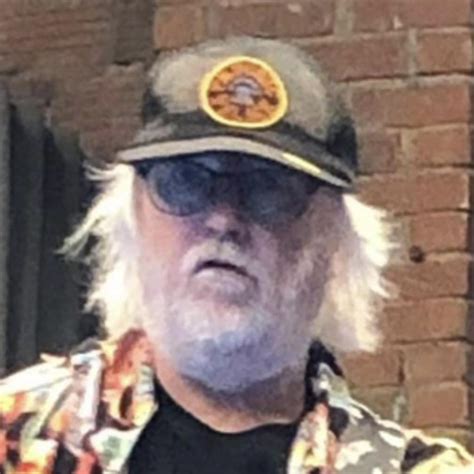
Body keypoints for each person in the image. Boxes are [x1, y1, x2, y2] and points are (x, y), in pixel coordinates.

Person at [0, 37, 472, 474]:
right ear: (134, 215)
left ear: (334, 242)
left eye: (268, 189)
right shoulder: (19, 439)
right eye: (185, 182)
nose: (223, 219)